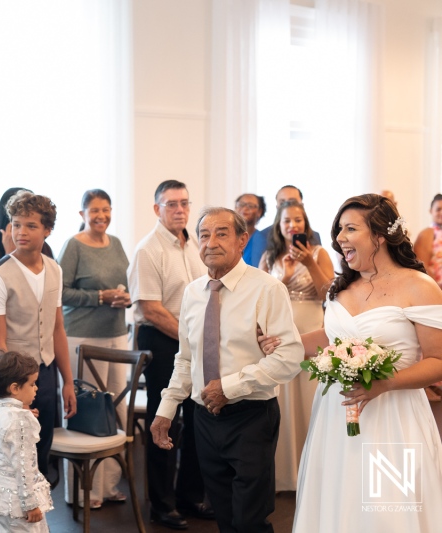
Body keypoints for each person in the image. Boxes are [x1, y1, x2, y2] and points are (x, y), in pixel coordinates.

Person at [258, 194, 442, 531]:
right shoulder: (342, 287)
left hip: (393, 417)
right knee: (338, 502)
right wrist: (283, 344)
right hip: (335, 414)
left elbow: (438, 360)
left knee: (387, 509)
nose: (340, 237)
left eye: (350, 229)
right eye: (339, 229)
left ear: (380, 235)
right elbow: (333, 338)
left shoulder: (419, 287)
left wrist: (385, 383)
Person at [150, 207, 304, 533]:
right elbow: (185, 359)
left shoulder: (267, 289)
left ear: (242, 240)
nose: (211, 243)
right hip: (204, 419)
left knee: (250, 519)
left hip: (251, 416)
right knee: (223, 516)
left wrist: (228, 387)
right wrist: (166, 410)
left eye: (222, 233)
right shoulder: (193, 293)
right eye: (204, 235)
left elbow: (289, 357)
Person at [127, 180, 211, 530]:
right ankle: (161, 504)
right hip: (162, 340)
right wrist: (190, 338)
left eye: (184, 203)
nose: (179, 209)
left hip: (192, 339)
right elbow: (150, 308)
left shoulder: (194, 244)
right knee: (166, 420)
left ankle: (189, 496)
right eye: (171, 204)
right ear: (156, 209)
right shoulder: (147, 250)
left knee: (196, 419)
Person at [0, 191, 77, 483]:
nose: (21, 232)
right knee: (12, 460)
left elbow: (57, 328)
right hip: (10, 379)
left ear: (47, 230)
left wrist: (68, 381)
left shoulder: (55, 269)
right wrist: (14, 398)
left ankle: (38, 511)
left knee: (41, 454)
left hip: (45, 373)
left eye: (30, 225)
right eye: (16, 224)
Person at [57, 189, 131, 509]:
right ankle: (82, 491)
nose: (101, 216)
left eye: (106, 209)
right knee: (87, 413)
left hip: (117, 335)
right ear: (82, 215)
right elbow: (61, 292)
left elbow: (128, 281)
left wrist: (126, 297)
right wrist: (100, 297)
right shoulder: (73, 245)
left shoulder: (116, 243)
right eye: (95, 210)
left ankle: (109, 485)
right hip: (83, 338)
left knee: (115, 410)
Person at [258, 199, 333, 491]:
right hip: (280, 334)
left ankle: (314, 472)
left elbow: (330, 294)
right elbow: (260, 299)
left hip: (312, 329)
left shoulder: (319, 253)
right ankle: (285, 474)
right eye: (287, 220)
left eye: (298, 220)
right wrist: (286, 277)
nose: (292, 225)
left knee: (311, 398)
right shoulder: (269, 257)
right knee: (283, 402)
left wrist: (308, 263)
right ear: (278, 225)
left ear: (305, 224)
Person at [0, 351, 54, 532]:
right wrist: (30, 504)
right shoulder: (22, 420)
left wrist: (23, 414)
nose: (36, 388)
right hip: (19, 500)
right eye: (32, 384)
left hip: (1, 496)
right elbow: (23, 465)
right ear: (14, 388)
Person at [413, 193, 442, 288]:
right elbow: (422, 266)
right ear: (431, 211)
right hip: (436, 288)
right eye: (438, 209)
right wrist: (436, 287)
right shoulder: (426, 234)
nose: (441, 213)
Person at [235, 193, 267, 267]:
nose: (245, 208)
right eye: (241, 204)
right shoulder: (227, 237)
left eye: (250, 206)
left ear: (259, 212)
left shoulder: (264, 240)